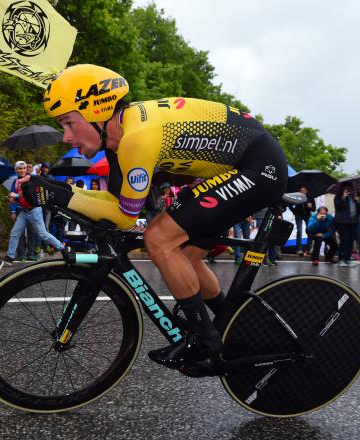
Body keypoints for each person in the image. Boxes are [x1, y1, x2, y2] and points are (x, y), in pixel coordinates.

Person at [20, 64, 288, 374]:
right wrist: (63, 189)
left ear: (97, 111)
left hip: (258, 168)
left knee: (158, 238)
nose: (65, 136)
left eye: (68, 123)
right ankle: (233, 324)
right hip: (233, 166)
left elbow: (124, 217)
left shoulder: (137, 138)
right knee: (187, 257)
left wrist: (59, 195)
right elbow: (113, 202)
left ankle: (206, 343)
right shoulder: (117, 140)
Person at [3, 161, 65, 264]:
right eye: (19, 168)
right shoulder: (15, 182)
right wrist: (11, 199)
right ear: (16, 170)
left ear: (26, 169)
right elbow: (18, 198)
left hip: (35, 210)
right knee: (15, 233)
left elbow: (31, 195)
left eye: (24, 168)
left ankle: (63, 248)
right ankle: (10, 256)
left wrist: (16, 196)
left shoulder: (31, 179)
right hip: (24, 211)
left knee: (43, 234)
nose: (22, 170)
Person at [334, 185, 360, 267]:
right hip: (343, 222)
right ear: (342, 188)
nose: (348, 189)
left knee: (351, 241)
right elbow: (338, 207)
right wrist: (343, 197)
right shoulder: (338, 196)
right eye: (346, 187)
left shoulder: (354, 197)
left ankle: (347, 259)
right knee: (344, 240)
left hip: (353, 222)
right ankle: (341, 259)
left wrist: (358, 202)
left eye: (349, 188)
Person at [288, 185, 315, 255]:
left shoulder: (310, 197)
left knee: (309, 230)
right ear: (299, 191)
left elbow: (314, 208)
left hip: (307, 215)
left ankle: (309, 248)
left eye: (304, 190)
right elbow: (290, 205)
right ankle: (299, 249)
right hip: (298, 215)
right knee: (299, 231)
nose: (302, 192)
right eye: (301, 190)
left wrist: (311, 207)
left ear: (306, 191)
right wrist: (294, 211)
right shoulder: (296, 197)